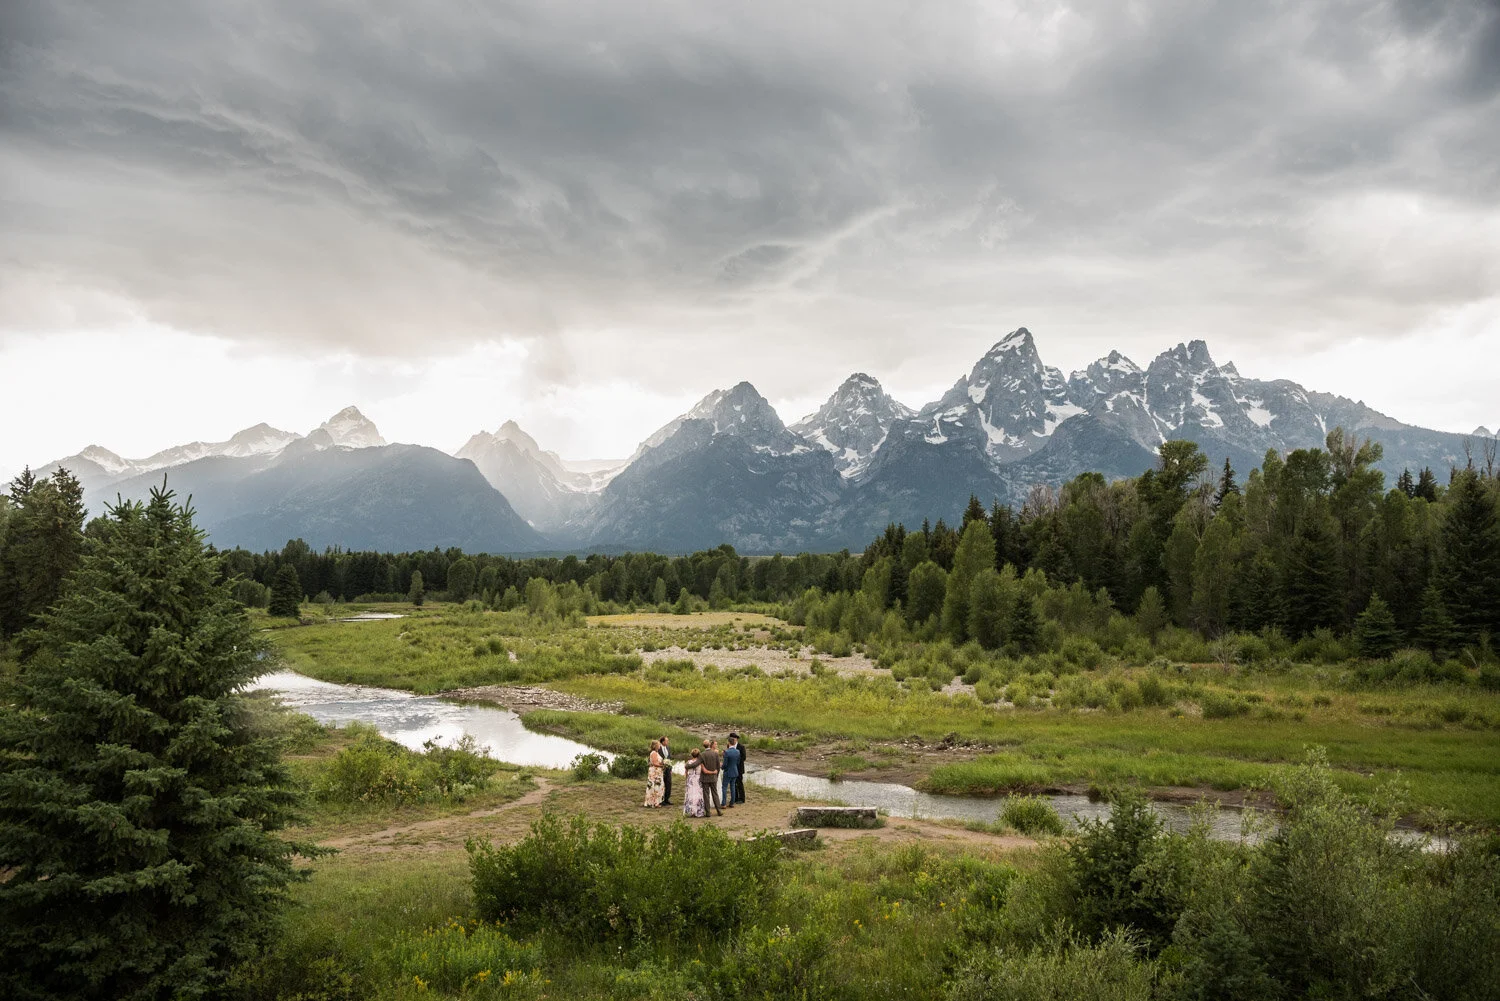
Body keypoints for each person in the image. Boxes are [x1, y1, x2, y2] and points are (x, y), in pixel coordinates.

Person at [698, 739, 723, 817]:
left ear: (703, 746)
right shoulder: (715, 754)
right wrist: (716, 775)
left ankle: (708, 812)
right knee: (715, 794)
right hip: (713, 777)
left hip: (705, 778)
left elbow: (698, 764)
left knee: (706, 795)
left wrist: (688, 765)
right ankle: (719, 811)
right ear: (709, 745)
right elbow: (718, 766)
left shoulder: (702, 755)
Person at [682, 748, 706, 818]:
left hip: (690, 779)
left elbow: (686, 773)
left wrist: (687, 779)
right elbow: (704, 771)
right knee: (698, 794)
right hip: (698, 779)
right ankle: (697, 811)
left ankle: (690, 811)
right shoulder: (700, 763)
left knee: (690, 794)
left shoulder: (688, 762)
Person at [721, 734, 742, 809]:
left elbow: (725, 764)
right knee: (733, 787)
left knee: (724, 787)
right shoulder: (737, 751)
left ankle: (723, 803)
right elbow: (738, 762)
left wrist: (721, 766)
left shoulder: (727, 752)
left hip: (728, 772)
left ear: (729, 743)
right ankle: (732, 803)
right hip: (735, 771)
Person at [644, 740, 665, 808]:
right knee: (655, 786)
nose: (660, 746)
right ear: (655, 746)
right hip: (655, 773)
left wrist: (663, 764)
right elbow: (655, 763)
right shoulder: (653, 753)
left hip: (657, 772)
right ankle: (654, 802)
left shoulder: (656, 752)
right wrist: (663, 765)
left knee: (658, 786)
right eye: (658, 745)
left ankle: (656, 802)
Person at [728, 732, 747, 804]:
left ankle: (742, 798)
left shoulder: (741, 747)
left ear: (736, 739)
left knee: (739, 783)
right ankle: (735, 797)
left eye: (732, 739)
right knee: (733, 783)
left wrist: (736, 761)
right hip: (732, 768)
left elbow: (744, 757)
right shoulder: (729, 746)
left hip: (739, 768)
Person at [658, 735, 673, 806]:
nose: (668, 742)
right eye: (666, 740)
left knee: (668, 783)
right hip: (661, 769)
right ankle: (661, 799)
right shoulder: (658, 748)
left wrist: (670, 768)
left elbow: (669, 758)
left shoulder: (667, 747)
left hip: (668, 768)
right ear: (663, 741)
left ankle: (667, 799)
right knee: (661, 784)